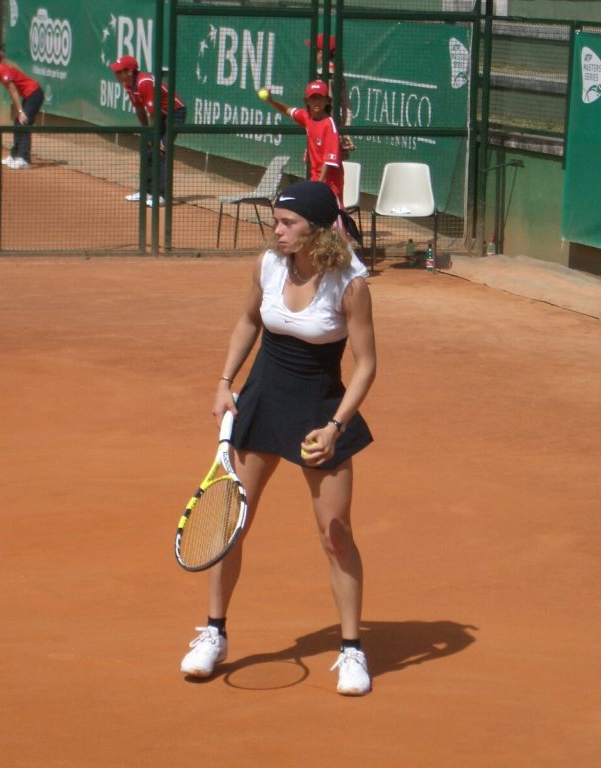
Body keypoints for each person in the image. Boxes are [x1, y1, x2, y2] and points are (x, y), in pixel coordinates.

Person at [181, 180, 377, 696]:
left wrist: (335, 427)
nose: (276, 231)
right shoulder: (267, 265)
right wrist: (225, 382)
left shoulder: (350, 283)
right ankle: (214, 634)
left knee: (335, 533)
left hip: (318, 411)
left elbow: (366, 366)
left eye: (286, 223)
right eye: (275, 222)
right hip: (262, 400)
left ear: (315, 230)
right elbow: (249, 320)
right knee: (231, 524)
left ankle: (352, 650)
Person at [108, 55, 187, 208]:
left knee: (161, 151)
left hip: (174, 113)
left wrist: (156, 138)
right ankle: (147, 192)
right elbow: (139, 108)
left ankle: (162, 195)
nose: (116, 74)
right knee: (148, 149)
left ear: (129, 71)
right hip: (159, 116)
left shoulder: (144, 83)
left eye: (119, 71)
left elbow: (153, 113)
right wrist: (147, 132)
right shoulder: (128, 85)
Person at [262, 80, 345, 208]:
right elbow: (288, 110)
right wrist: (271, 101)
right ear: (307, 101)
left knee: (333, 223)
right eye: (313, 99)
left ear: (327, 101)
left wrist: (318, 185)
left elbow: (328, 162)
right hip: (315, 180)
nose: (316, 102)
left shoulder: (329, 125)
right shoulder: (307, 116)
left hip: (330, 184)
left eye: (320, 98)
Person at [0, 47, 44, 170]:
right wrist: (20, 112)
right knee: (17, 123)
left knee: (23, 123)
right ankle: (14, 155)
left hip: (34, 94)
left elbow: (13, 91)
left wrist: (20, 111)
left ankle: (25, 159)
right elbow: (12, 90)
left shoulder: (1, 69)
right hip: (29, 95)